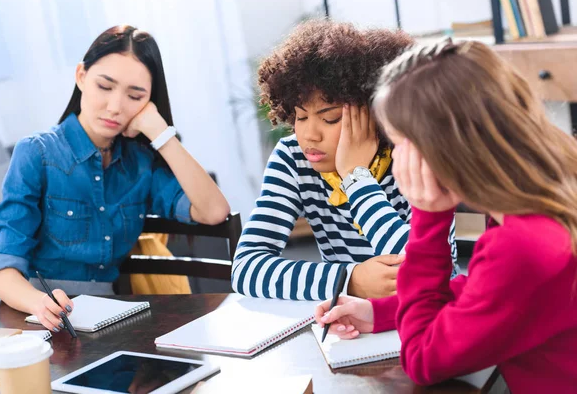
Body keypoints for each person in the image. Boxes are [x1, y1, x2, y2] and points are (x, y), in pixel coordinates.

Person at [315, 39, 577, 392]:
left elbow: (424, 360)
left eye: (401, 147)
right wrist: (383, 312)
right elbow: (490, 292)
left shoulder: (521, 243)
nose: (397, 163)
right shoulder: (548, 192)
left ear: (440, 148)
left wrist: (428, 217)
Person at [0, 25, 230, 332]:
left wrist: (158, 130)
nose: (115, 107)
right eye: (105, 87)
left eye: (135, 95)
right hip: (40, 320)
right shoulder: (37, 153)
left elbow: (213, 211)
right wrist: (39, 302)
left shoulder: (140, 164)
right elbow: (5, 269)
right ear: (81, 77)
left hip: (111, 322)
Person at [231, 20, 458, 301]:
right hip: (348, 322)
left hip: (430, 311)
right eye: (300, 117)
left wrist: (355, 177)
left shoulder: (416, 156)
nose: (309, 134)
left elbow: (428, 271)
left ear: (376, 112)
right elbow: (245, 269)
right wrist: (349, 280)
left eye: (330, 118)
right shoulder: (293, 158)